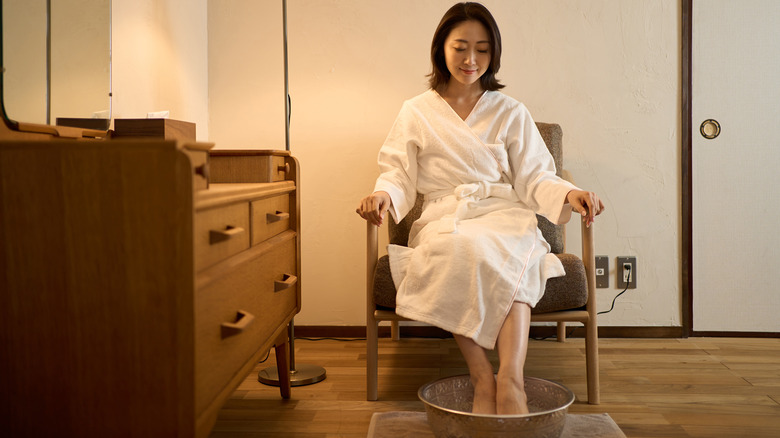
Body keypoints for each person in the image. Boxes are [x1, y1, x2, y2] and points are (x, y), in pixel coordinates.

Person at [356, 2, 604, 415]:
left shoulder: (510, 111)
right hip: (445, 217)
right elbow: (397, 174)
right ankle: (480, 375)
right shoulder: (416, 111)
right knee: (460, 250)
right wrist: (383, 196)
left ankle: (510, 378)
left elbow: (536, 175)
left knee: (512, 255)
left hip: (503, 212)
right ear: (441, 49)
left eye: (483, 49)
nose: (471, 60)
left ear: (494, 54)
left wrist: (568, 194)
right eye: (461, 47)